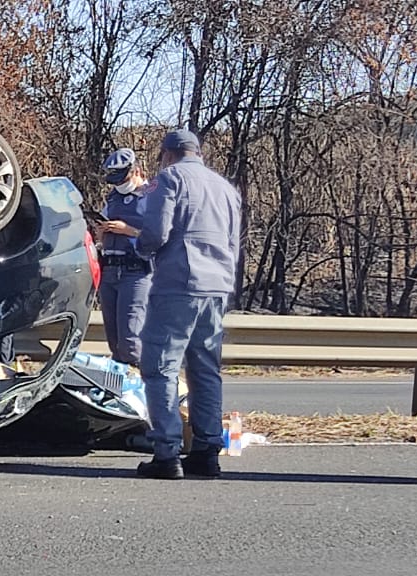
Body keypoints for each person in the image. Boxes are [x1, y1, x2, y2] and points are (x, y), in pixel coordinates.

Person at [130, 129, 242, 479]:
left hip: (179, 282)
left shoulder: (170, 179)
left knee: (160, 366)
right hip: (217, 285)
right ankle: (207, 452)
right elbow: (233, 243)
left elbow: (156, 232)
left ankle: (167, 453)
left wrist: (141, 252)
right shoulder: (225, 188)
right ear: (197, 151)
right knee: (205, 368)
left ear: (168, 154)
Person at [94, 148, 154, 367]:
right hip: (109, 269)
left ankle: (150, 385)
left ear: (136, 170)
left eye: (123, 178)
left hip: (136, 272)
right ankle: (123, 391)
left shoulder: (153, 198)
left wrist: (128, 230)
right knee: (116, 342)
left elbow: (161, 237)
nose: (119, 184)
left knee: (130, 341)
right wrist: (102, 232)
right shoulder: (114, 198)